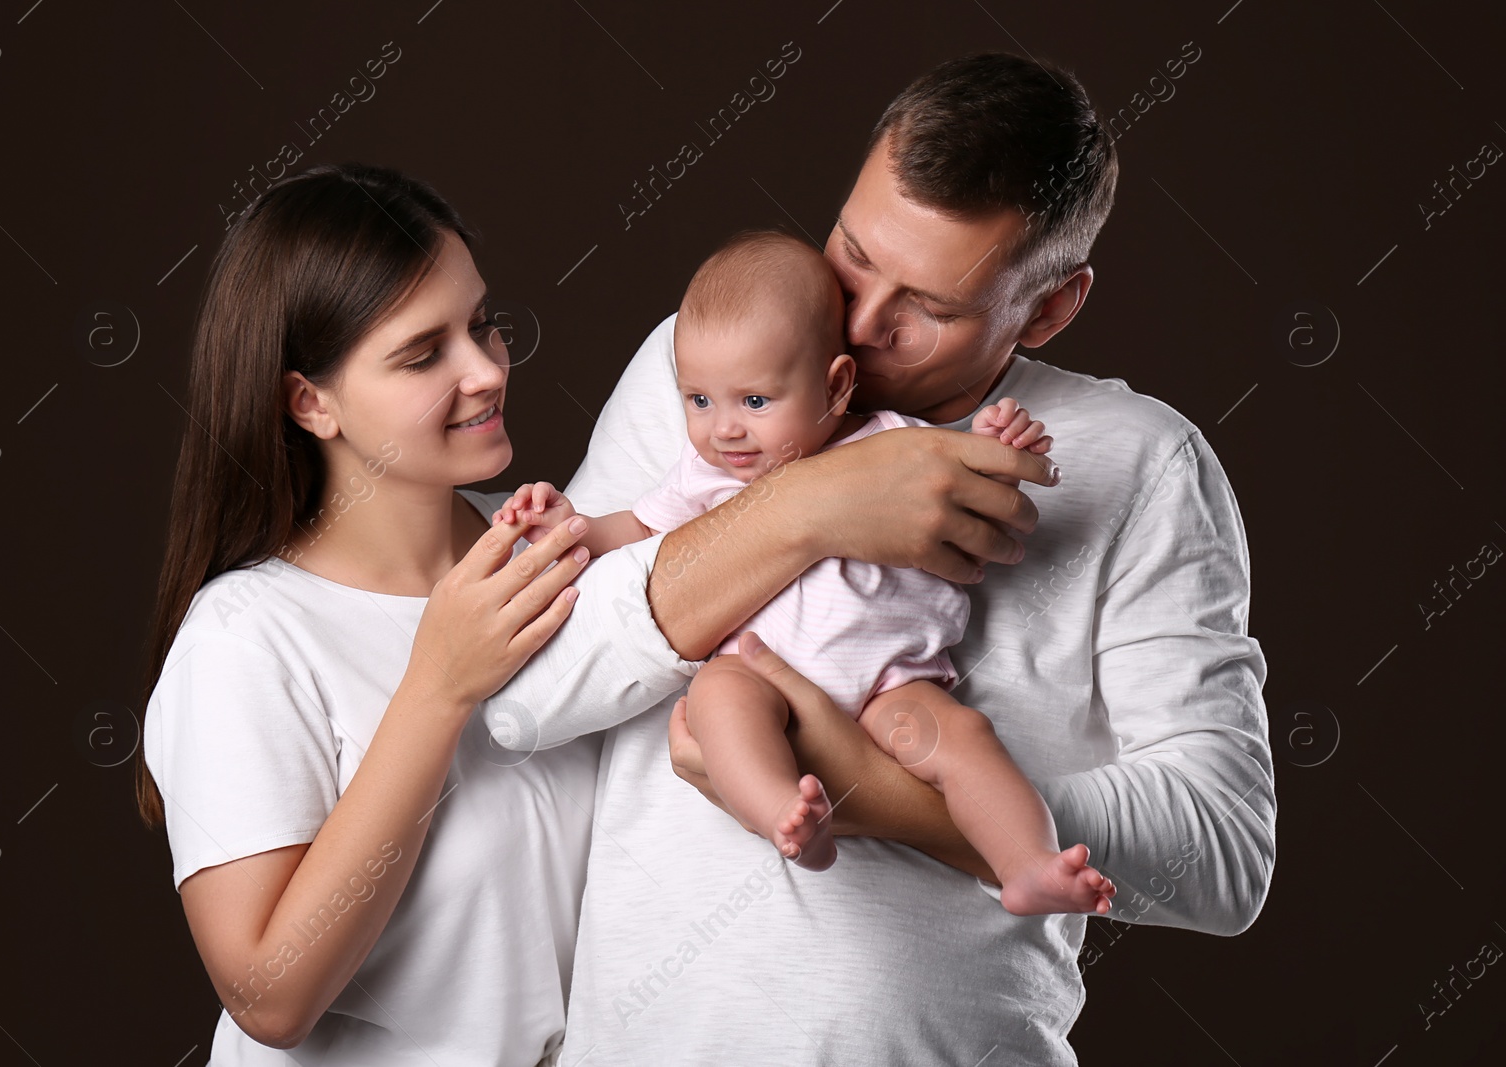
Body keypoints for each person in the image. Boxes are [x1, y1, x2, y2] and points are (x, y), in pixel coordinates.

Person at [490, 52, 1273, 1062]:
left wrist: (879, 793)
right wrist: (801, 509)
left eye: (929, 307)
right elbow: (526, 695)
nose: (857, 325)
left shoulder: (1142, 464)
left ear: (1048, 308)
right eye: (853, 254)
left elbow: (1221, 856)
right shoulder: (714, 368)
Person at [137, 162, 621, 1063]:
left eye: (482, 325)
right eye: (422, 353)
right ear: (310, 402)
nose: (484, 371)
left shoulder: (547, 544)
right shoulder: (245, 641)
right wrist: (436, 689)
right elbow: (267, 998)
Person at [494, 230, 1116, 918]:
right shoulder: (706, 475)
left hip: (893, 684)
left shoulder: (893, 441)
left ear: (836, 384)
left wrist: (997, 445)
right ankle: (784, 813)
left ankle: (1026, 862)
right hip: (760, 670)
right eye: (699, 400)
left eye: (755, 403)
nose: (723, 430)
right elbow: (639, 532)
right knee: (718, 701)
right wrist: (568, 526)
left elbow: (966, 488)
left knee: (964, 741)